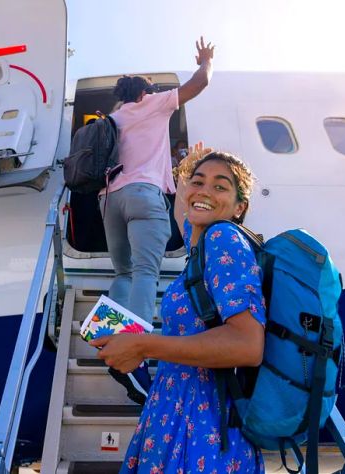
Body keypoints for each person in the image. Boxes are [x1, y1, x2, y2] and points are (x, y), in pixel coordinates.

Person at [91, 150, 267, 473]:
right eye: (198, 183)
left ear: (240, 207)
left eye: (220, 187)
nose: (203, 192)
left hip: (204, 429)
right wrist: (185, 173)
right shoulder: (199, 246)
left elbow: (248, 345)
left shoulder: (223, 239)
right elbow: (183, 210)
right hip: (175, 414)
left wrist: (144, 345)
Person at [98, 37, 216, 405]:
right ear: (145, 91)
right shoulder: (152, 104)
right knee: (147, 273)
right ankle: (132, 358)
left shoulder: (114, 117)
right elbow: (200, 84)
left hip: (109, 200)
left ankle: (106, 336)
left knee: (124, 273)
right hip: (143, 194)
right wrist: (206, 61)